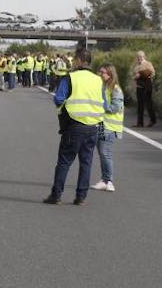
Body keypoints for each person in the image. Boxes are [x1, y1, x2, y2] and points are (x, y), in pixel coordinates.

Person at [43, 47, 106, 206]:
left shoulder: (70, 77)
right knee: (86, 162)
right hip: (93, 126)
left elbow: (58, 99)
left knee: (64, 161)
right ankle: (81, 197)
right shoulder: (98, 80)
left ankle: (56, 195)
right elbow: (104, 103)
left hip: (74, 125)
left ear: (78, 60)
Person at [92, 64, 123, 193]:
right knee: (102, 153)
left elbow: (115, 107)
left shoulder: (115, 89)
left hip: (110, 127)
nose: (100, 74)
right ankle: (104, 179)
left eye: (103, 72)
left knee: (106, 153)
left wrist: (102, 105)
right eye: (99, 71)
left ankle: (108, 181)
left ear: (110, 74)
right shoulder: (103, 87)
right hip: (101, 125)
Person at [133, 50, 156, 127]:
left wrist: (143, 74)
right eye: (138, 57)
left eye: (140, 57)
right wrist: (135, 78)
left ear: (144, 57)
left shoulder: (148, 64)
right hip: (139, 86)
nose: (139, 58)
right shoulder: (136, 66)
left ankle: (153, 120)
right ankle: (140, 122)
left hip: (147, 86)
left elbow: (152, 73)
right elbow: (134, 76)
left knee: (148, 104)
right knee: (140, 105)